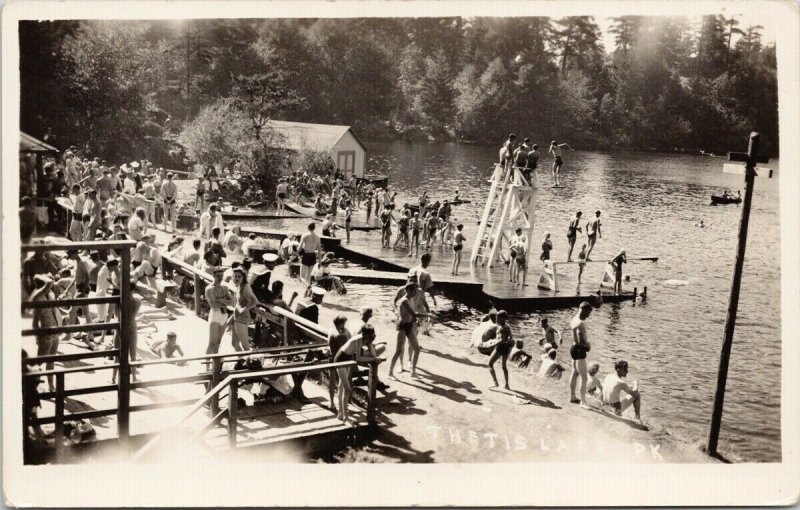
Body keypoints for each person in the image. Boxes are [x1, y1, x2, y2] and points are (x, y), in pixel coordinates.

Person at [334, 324, 379, 423]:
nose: (370, 338)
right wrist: (373, 359)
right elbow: (358, 358)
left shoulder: (366, 341)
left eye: (372, 337)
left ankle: (340, 414)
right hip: (341, 359)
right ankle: (345, 416)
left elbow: (373, 354)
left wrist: (370, 345)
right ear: (364, 334)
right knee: (347, 388)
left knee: (342, 387)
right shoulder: (359, 339)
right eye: (369, 336)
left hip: (348, 359)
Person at [388, 283, 427, 380]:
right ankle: (390, 373)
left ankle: (413, 372)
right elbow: (414, 313)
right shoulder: (404, 300)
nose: (415, 293)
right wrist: (429, 315)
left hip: (410, 325)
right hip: (402, 326)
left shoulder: (411, 299)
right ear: (408, 290)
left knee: (417, 349)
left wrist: (416, 322)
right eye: (414, 291)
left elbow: (413, 315)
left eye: (416, 291)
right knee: (398, 351)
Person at [30, 275, 62, 392]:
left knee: (50, 361)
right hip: (46, 331)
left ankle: (51, 386)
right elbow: (50, 283)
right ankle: (32, 387)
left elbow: (35, 321)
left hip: (53, 330)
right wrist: (43, 276)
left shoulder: (48, 296)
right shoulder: (37, 296)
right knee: (40, 362)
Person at [569, 301, 593, 409]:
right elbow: (579, 337)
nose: (588, 315)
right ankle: (583, 402)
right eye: (588, 313)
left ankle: (572, 396)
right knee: (584, 378)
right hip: (579, 350)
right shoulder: (581, 323)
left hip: (573, 349)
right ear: (583, 310)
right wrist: (587, 346)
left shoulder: (574, 319)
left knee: (574, 373)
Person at [205, 267, 233, 355]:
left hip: (224, 315)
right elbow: (213, 305)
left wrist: (220, 300)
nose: (220, 278)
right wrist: (225, 301)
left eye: (221, 276)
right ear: (213, 275)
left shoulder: (224, 287)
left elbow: (231, 302)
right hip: (215, 316)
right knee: (212, 343)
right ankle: (207, 365)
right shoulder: (209, 289)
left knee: (218, 343)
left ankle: (214, 364)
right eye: (218, 276)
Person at [229, 267, 257, 352]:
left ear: (243, 277)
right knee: (234, 343)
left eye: (239, 277)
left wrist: (243, 310)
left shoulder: (246, 287)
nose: (237, 278)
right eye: (235, 276)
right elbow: (238, 303)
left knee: (245, 347)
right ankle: (241, 361)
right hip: (236, 317)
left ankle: (248, 364)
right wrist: (232, 317)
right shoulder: (239, 286)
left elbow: (254, 301)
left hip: (242, 318)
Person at [486, 310, 513, 389]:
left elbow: (500, 340)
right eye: (496, 317)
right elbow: (511, 338)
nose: (496, 319)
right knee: (504, 366)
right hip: (506, 347)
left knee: (490, 364)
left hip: (500, 347)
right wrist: (508, 342)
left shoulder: (500, 328)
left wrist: (491, 345)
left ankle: (495, 383)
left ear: (503, 319)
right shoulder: (507, 327)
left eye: (498, 317)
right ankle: (507, 385)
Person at [298, 221, 322, 287]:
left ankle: (305, 289)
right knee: (308, 277)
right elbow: (319, 250)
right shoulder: (317, 237)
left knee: (302, 277)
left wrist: (295, 252)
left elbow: (299, 248)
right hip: (313, 257)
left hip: (306, 256)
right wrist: (320, 262)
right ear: (314, 228)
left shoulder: (305, 235)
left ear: (308, 227)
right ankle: (307, 291)